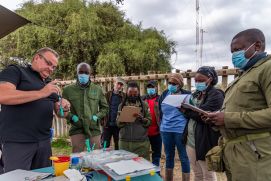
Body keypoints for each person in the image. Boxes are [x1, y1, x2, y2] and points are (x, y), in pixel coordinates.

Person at [206, 28, 271, 181]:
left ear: (257, 46)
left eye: (238, 49)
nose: (234, 55)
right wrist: (216, 119)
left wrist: (228, 119)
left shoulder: (267, 69)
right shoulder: (244, 74)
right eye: (232, 52)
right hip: (236, 153)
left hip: (255, 154)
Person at [0, 47, 70, 172]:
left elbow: (60, 114)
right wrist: (42, 93)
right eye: (49, 63)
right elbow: (3, 95)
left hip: (44, 143)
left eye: (54, 67)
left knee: (44, 177)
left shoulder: (48, 83)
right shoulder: (16, 71)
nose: (51, 69)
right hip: (18, 142)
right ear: (37, 57)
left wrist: (64, 107)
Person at [182, 66, 224, 181]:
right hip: (191, 140)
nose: (197, 83)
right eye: (196, 80)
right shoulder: (196, 94)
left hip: (205, 141)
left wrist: (187, 111)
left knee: (208, 174)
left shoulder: (216, 95)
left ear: (210, 79)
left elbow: (203, 115)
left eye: (201, 80)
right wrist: (186, 110)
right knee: (197, 173)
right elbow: (190, 113)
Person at [62, 62, 108, 153]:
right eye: (81, 72)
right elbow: (63, 109)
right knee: (77, 158)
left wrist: (96, 117)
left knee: (95, 157)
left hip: (93, 129)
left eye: (86, 73)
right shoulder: (68, 90)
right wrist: (72, 117)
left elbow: (105, 108)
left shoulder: (97, 89)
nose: (83, 75)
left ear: (90, 74)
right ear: (77, 73)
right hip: (77, 129)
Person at [158, 73, 191, 181]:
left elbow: (191, 112)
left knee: (184, 157)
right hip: (166, 130)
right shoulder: (164, 94)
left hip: (180, 130)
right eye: (170, 83)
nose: (171, 85)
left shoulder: (187, 95)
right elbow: (159, 111)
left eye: (174, 83)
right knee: (168, 156)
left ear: (180, 85)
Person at [117, 81, 151, 160]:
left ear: (138, 92)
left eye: (135, 93)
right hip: (125, 143)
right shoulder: (121, 106)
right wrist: (124, 118)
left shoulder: (144, 105)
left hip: (141, 144)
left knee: (142, 167)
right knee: (126, 167)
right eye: (130, 92)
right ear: (126, 92)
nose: (133, 95)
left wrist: (142, 119)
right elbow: (118, 124)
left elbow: (149, 121)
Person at [102, 77, 126, 150]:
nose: (119, 86)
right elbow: (102, 108)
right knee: (105, 145)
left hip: (118, 125)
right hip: (107, 125)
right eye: (118, 84)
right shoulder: (107, 95)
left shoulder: (124, 96)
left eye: (121, 85)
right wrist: (102, 121)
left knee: (118, 146)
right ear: (114, 83)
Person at [142, 80, 162, 167]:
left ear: (156, 88)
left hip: (157, 132)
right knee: (144, 154)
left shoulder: (160, 99)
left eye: (152, 87)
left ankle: (156, 174)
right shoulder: (142, 99)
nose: (150, 89)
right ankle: (146, 172)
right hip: (144, 132)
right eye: (149, 87)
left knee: (156, 155)